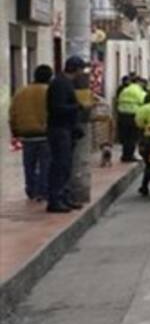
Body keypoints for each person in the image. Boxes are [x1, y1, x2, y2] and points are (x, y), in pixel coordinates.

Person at [45, 56, 87, 213]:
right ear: (76, 69)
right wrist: (77, 107)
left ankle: (64, 197)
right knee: (59, 165)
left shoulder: (65, 83)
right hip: (59, 129)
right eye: (81, 70)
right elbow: (58, 107)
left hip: (66, 129)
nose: (82, 73)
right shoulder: (60, 84)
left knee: (66, 165)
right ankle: (55, 200)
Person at [8, 65, 53, 202]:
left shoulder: (21, 92)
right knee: (45, 164)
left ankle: (31, 190)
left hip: (27, 135)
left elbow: (13, 113)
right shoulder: (49, 92)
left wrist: (15, 131)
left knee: (29, 164)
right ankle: (42, 190)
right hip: (45, 134)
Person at [116, 74, 147, 162]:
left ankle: (124, 155)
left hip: (122, 115)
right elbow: (144, 102)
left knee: (125, 137)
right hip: (133, 115)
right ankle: (130, 156)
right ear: (139, 83)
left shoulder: (125, 90)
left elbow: (119, 100)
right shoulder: (139, 91)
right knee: (132, 137)